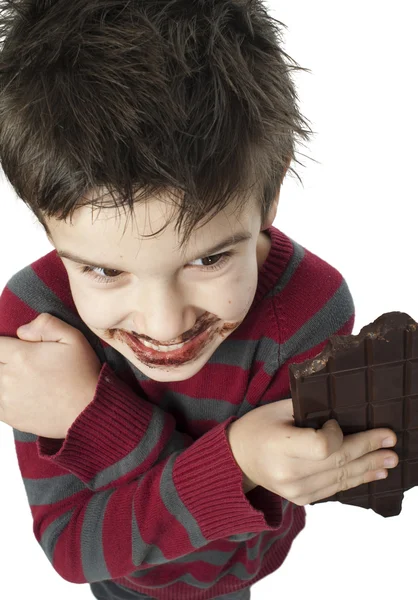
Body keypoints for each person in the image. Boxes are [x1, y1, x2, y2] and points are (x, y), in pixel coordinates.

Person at [0, 1, 398, 600]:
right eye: (105, 270)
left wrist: (89, 414)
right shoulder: (37, 324)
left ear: (268, 198)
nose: (164, 324)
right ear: (46, 223)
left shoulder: (309, 312)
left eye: (209, 259)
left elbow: (228, 570)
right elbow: (75, 550)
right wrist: (236, 467)